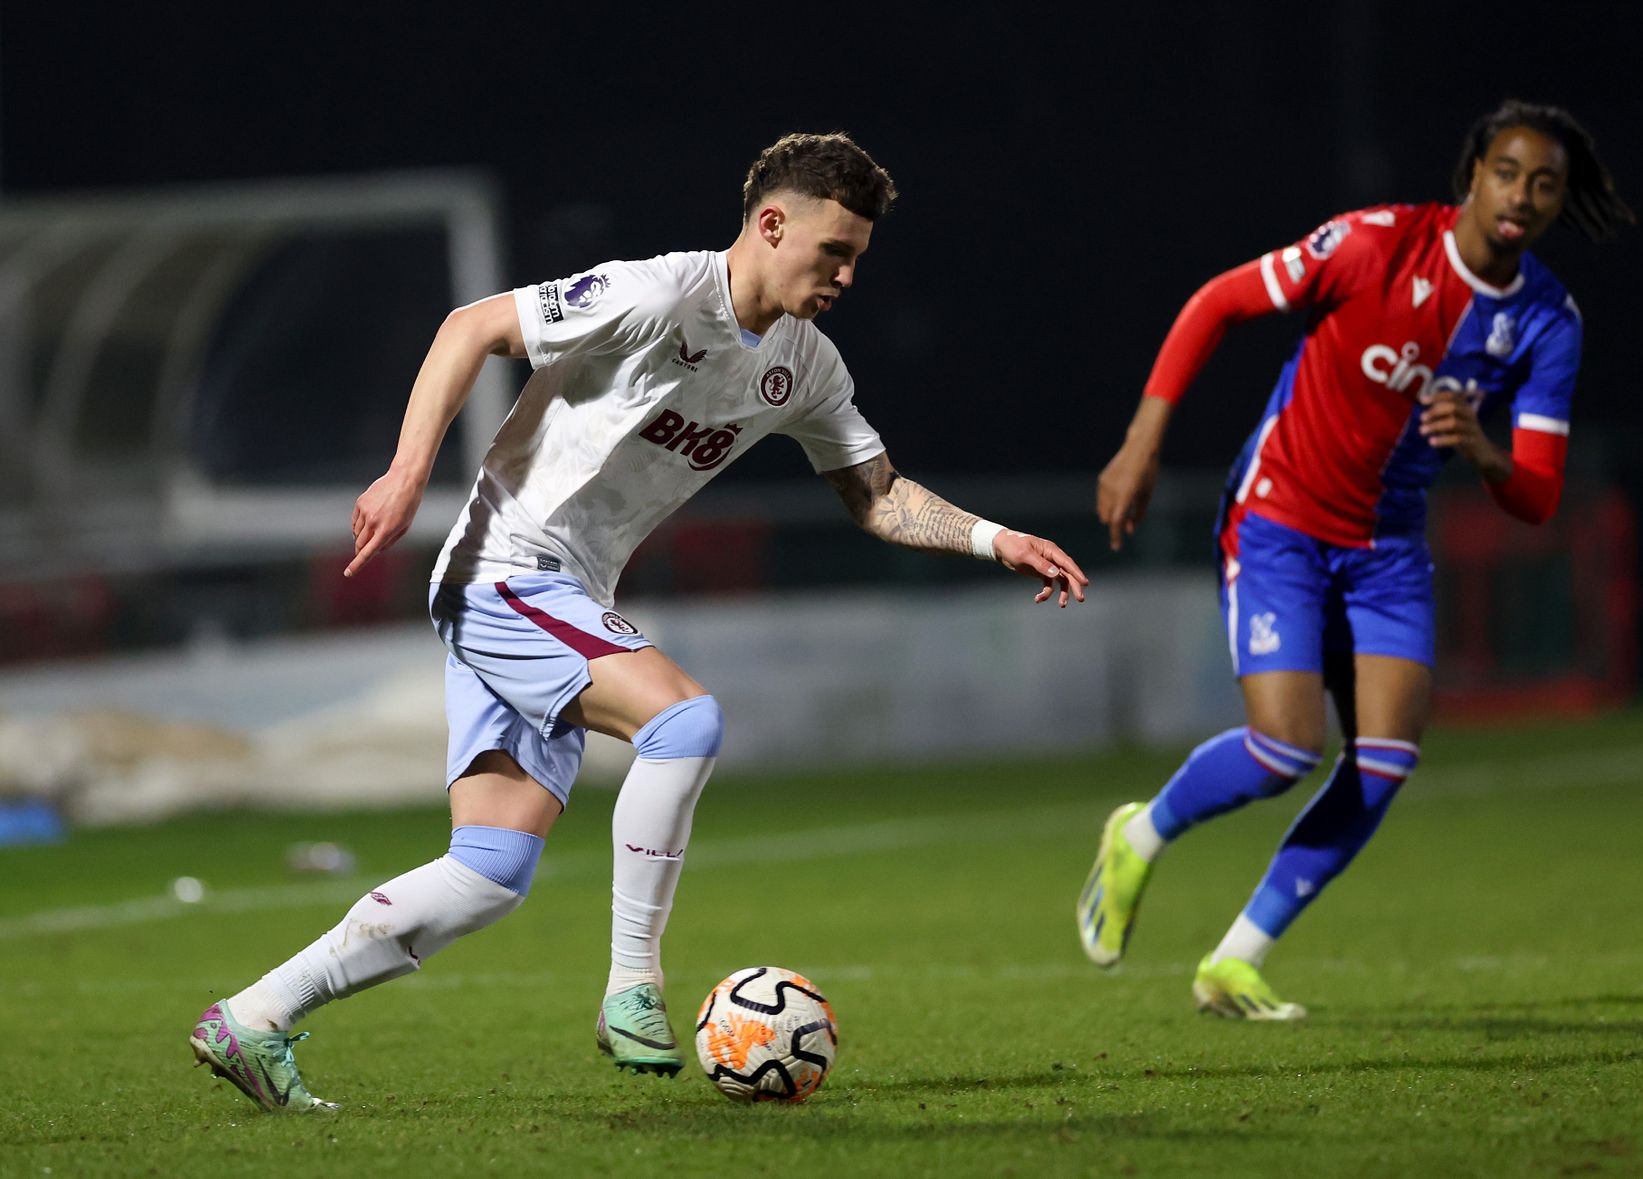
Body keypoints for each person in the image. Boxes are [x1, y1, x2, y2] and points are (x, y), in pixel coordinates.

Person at [189, 131, 1089, 1112]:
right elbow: (470, 326)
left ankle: (254, 1018)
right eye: (832, 252)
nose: (845, 275)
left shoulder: (807, 367)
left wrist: (996, 540)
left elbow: (874, 495)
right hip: (507, 572)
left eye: (857, 259)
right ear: (770, 223)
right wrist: (408, 474)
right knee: (683, 720)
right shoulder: (659, 294)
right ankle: (634, 986)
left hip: (562, 593)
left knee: (489, 871)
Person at [1076, 101, 1632, 1020]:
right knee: (1285, 747)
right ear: (1473, 172)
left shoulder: (1546, 322)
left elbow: (1534, 494)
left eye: (1545, 184)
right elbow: (1219, 301)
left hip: (1387, 546)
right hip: (1281, 516)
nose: (1523, 196)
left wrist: (1482, 449)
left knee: (1384, 756)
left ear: (1560, 201)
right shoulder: (1373, 246)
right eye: (1508, 171)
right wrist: (1141, 443)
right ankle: (1140, 834)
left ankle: (1237, 959)